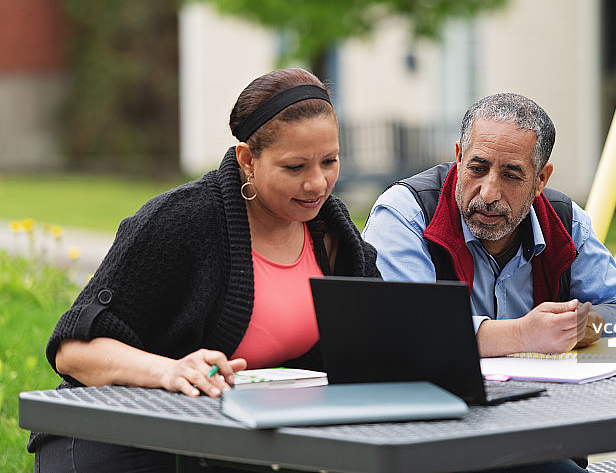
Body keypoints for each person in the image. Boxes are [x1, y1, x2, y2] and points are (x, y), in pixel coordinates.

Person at [30, 68, 380, 472]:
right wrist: (171, 370)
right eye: (295, 167)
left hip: (233, 438)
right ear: (247, 159)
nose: (318, 183)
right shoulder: (181, 222)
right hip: (116, 437)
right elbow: (73, 353)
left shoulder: (333, 233)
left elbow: (371, 341)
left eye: (330, 161)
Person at [363, 92, 616, 357]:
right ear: (459, 158)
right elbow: (406, 328)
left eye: (510, 175)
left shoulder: (565, 221)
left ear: (541, 179)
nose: (488, 194)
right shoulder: (406, 212)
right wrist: (523, 335)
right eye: (477, 168)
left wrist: (582, 326)